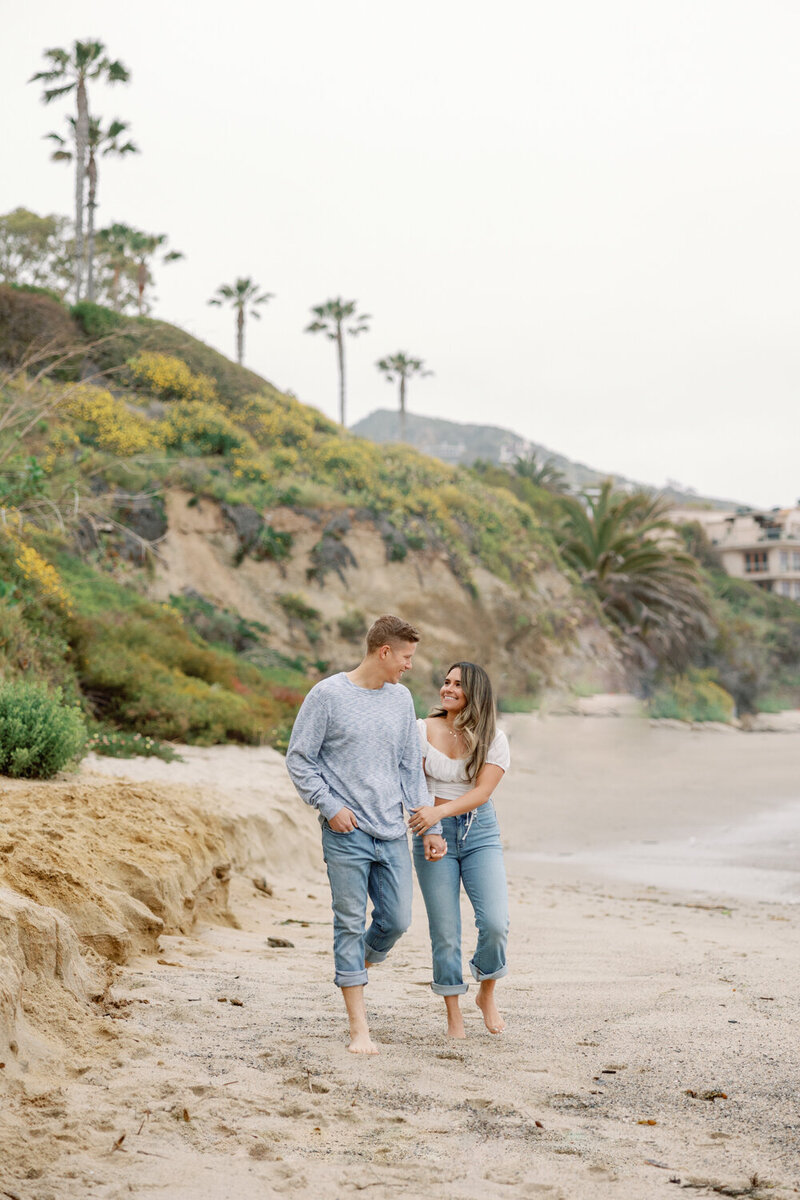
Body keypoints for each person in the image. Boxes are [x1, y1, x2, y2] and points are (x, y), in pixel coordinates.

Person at [285, 614, 447, 1055]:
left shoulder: (400, 699)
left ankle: (357, 965)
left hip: (392, 829)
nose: (410, 666)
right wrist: (330, 806)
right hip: (346, 831)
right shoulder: (328, 695)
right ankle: (360, 1029)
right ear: (384, 652)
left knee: (396, 921)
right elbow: (300, 759)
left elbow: (409, 767)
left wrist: (427, 823)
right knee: (349, 923)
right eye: (407, 657)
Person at [408, 661, 510, 1038]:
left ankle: (486, 992)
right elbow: (413, 782)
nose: (447, 689)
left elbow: (482, 792)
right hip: (431, 832)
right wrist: (431, 825)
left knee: (496, 923)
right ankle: (453, 1013)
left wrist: (440, 810)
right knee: (446, 930)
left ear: (475, 694)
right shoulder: (420, 729)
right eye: (445, 682)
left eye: (457, 685)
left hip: (479, 829)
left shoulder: (494, 737)